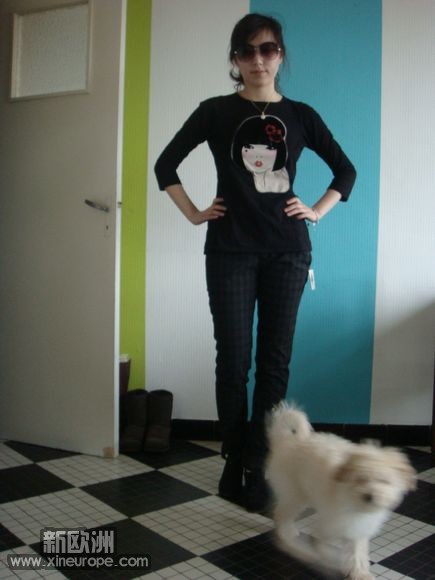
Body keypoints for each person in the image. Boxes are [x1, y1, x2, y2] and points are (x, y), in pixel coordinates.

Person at [154, 13, 356, 512]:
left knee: (274, 362)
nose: (258, 59)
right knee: (233, 360)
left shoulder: (301, 115)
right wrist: (196, 213)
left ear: (280, 55)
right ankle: (233, 454)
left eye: (267, 49)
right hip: (230, 252)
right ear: (235, 59)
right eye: (247, 51)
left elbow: (345, 171)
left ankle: (260, 460)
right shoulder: (214, 112)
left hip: (289, 252)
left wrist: (316, 211)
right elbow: (165, 165)